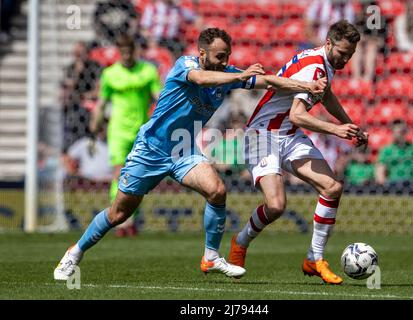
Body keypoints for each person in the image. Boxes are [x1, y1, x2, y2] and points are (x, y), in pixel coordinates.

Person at [53, 27, 327, 281]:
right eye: (220, 56)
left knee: (217, 190)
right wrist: (239, 75)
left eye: (228, 56)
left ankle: (210, 257)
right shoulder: (185, 65)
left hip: (183, 150)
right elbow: (201, 78)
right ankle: (74, 253)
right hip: (151, 149)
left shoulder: (227, 75)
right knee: (118, 214)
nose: (224, 61)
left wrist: (306, 87)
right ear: (202, 53)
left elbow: (267, 81)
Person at [228, 20, 368, 285]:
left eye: (350, 55)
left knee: (331, 188)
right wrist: (335, 130)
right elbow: (298, 114)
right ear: (329, 43)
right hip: (263, 134)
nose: (345, 59)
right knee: (276, 206)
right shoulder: (315, 65)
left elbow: (325, 96)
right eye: (342, 53)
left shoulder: (326, 61)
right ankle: (240, 241)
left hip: (288, 134)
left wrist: (348, 124)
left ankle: (314, 258)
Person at [90, 34, 162, 237]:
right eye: (123, 52)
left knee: (137, 175)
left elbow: (160, 97)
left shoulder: (148, 71)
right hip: (118, 131)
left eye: (130, 52)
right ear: (119, 53)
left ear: (135, 51)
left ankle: (128, 219)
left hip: (142, 130)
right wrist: (94, 130)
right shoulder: (110, 74)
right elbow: (101, 104)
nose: (127, 56)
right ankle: (120, 221)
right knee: (118, 173)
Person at [375, 119, 413, 185]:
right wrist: (383, 185)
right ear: (392, 132)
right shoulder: (386, 150)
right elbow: (380, 170)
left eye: (403, 132)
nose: (401, 135)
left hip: (412, 183)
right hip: (393, 184)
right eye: (398, 132)